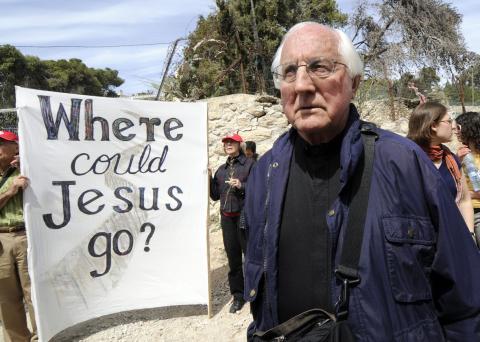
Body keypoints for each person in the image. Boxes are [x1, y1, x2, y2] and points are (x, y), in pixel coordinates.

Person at [243, 22, 480, 341]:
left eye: (319, 67)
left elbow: (466, 302)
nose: (301, 85)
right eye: (288, 72)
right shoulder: (263, 176)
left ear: (354, 83)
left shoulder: (403, 163)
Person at [407, 102, 474, 234]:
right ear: (433, 126)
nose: (454, 127)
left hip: (452, 234)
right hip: (418, 239)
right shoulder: (406, 158)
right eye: (449, 121)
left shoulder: (451, 159)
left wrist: (469, 234)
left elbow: (464, 201)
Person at [209, 132, 255, 313]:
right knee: (233, 259)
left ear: (239, 144)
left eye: (232, 142)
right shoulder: (221, 170)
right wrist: (208, 177)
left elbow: (260, 188)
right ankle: (238, 295)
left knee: (250, 257)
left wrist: (242, 186)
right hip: (227, 218)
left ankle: (255, 293)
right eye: (226, 142)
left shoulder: (250, 165)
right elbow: (214, 195)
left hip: (245, 216)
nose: (228, 144)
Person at [0, 130, 37, 341]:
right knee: (6, 297)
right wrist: (10, 191)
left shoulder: (28, 169)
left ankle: (42, 335)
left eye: (2, 143)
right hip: (1, 239)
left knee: (33, 293)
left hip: (25, 236)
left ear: (16, 147)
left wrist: (27, 165)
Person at [455, 112, 480, 245]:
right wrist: (455, 160)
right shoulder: (460, 154)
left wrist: (465, 195)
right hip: (463, 211)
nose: (455, 131)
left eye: (458, 127)